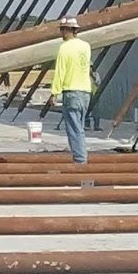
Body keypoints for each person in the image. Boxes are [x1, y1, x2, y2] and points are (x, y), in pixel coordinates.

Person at [44, 16, 92, 164]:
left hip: (71, 92)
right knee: (80, 128)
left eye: (63, 30)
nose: (61, 33)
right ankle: (82, 157)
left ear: (69, 30)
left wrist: (54, 93)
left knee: (74, 129)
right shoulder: (86, 46)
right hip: (85, 92)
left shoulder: (64, 48)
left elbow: (60, 71)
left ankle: (80, 161)